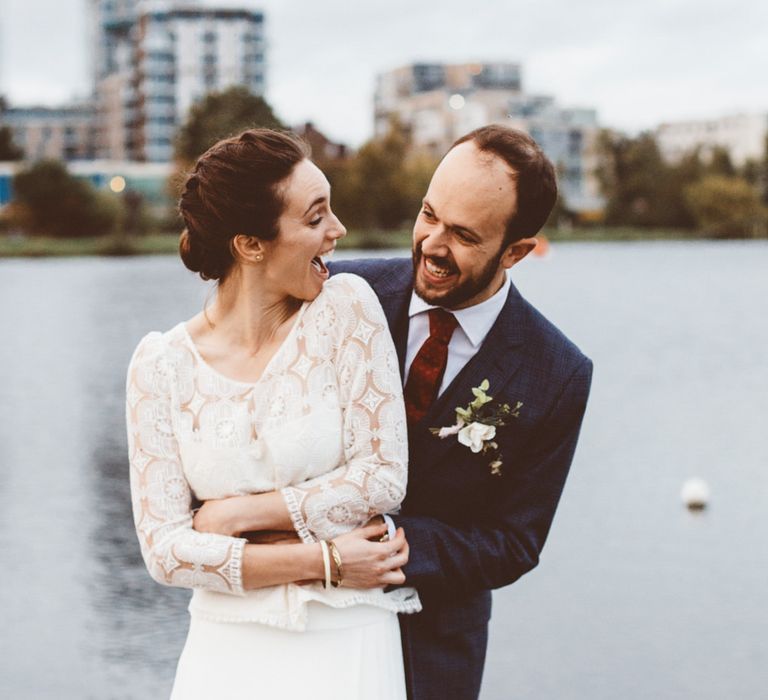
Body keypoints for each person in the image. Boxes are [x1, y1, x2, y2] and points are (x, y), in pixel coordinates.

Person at [125, 129, 420, 700]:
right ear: (251, 244)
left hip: (345, 632)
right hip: (226, 643)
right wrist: (325, 559)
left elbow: (383, 475)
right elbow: (164, 549)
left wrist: (236, 517)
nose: (338, 231)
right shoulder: (159, 365)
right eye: (315, 218)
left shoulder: (346, 309)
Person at [328, 125, 594, 700]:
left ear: (517, 251)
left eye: (464, 235)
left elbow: (515, 542)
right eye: (429, 214)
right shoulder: (344, 292)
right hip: (307, 618)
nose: (431, 244)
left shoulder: (559, 372)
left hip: (434, 649)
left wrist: (396, 542)